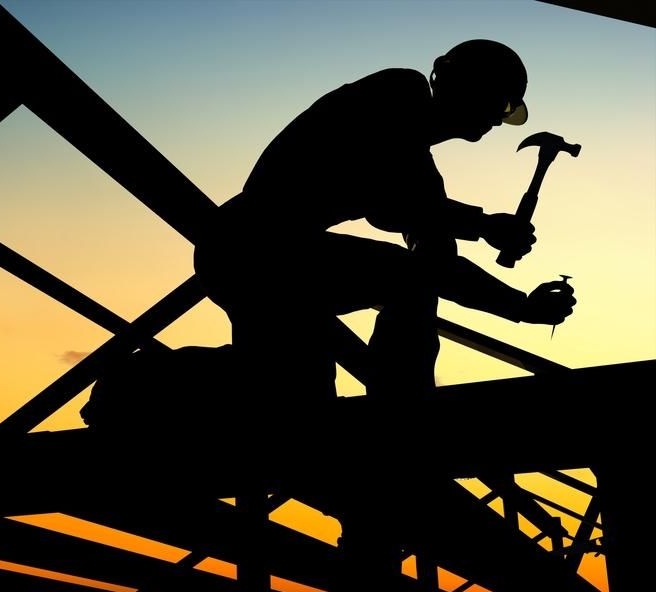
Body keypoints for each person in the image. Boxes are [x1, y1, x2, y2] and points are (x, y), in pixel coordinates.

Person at [193, 39, 576, 405]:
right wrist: (484, 226)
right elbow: (400, 203)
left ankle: (169, 380)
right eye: (499, 100)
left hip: (269, 261)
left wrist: (519, 305)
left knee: (294, 392)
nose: (497, 116)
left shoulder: (418, 170)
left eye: (507, 107)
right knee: (408, 283)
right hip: (250, 245)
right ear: (456, 82)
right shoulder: (398, 92)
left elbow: (437, 258)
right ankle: (400, 414)